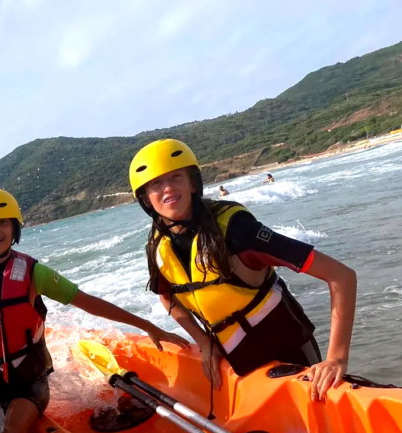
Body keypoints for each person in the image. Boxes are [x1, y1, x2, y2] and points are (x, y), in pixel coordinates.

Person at [0, 189, 188, 433]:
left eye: (2, 222)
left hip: (27, 377)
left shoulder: (33, 272)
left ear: (14, 228)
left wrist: (146, 324)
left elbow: (87, 301)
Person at [128, 139, 357, 401]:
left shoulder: (238, 230)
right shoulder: (159, 246)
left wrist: (336, 359)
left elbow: (341, 276)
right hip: (241, 364)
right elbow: (168, 297)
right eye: (156, 183)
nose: (167, 188)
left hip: (293, 355)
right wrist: (204, 343)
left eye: (176, 177)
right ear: (145, 198)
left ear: (193, 183)